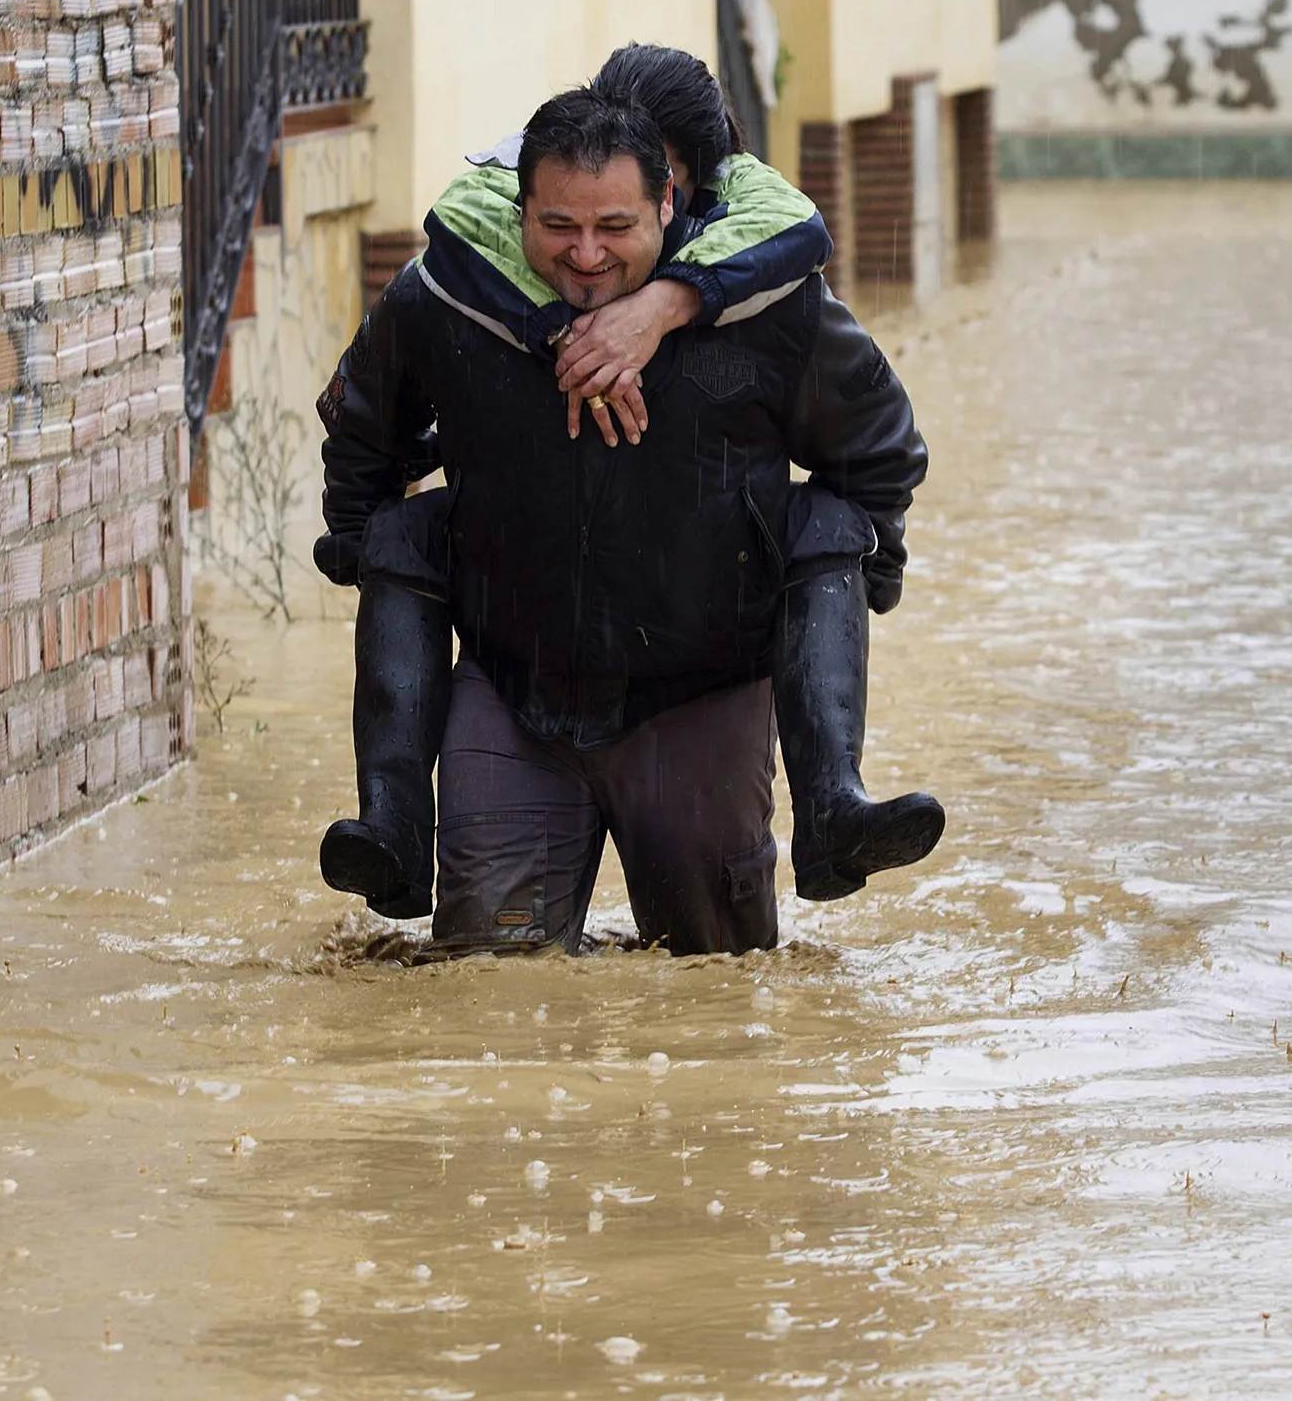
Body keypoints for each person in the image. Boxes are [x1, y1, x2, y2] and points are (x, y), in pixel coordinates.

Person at [312, 84, 936, 954]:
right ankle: (393, 827)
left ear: (671, 206)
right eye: (559, 226)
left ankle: (833, 807)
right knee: (485, 992)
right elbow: (360, 433)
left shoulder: (774, 309)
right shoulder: (444, 299)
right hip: (512, 689)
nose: (587, 255)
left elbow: (877, 444)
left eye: (616, 227)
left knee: (721, 994)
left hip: (702, 690)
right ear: (517, 208)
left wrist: (867, 575)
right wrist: (360, 547)